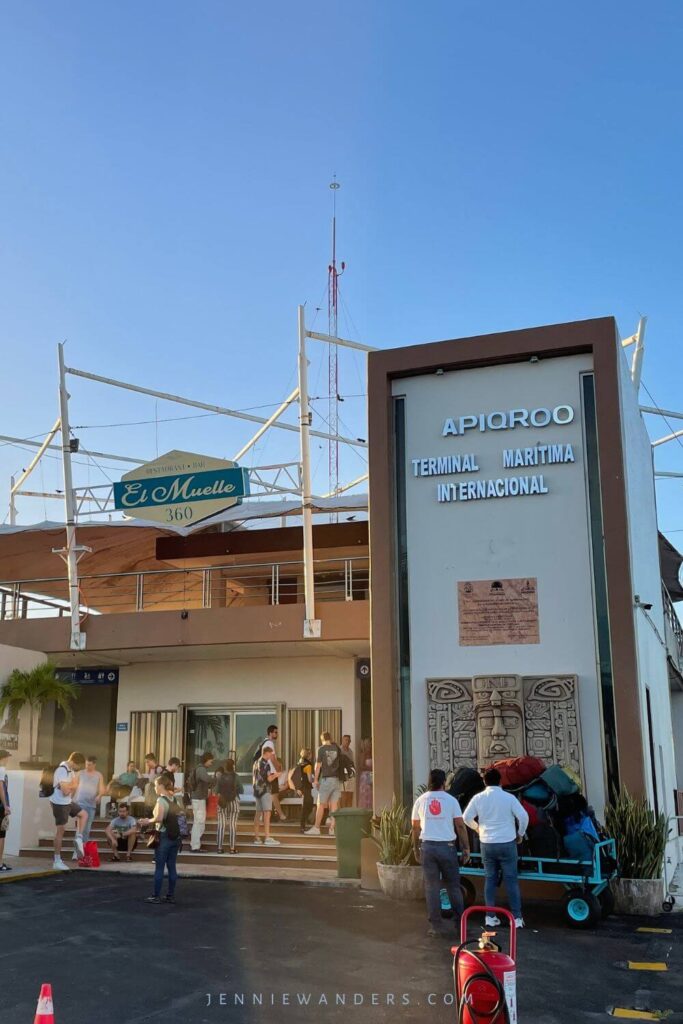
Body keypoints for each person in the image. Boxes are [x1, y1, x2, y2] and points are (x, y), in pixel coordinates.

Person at [463, 767, 529, 929]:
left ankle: (490, 917)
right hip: (507, 842)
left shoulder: (478, 798)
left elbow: (466, 817)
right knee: (511, 880)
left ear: (484, 781)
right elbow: (523, 816)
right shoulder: (509, 797)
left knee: (490, 879)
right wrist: (520, 833)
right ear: (500, 781)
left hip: (487, 843)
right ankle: (517, 918)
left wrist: (477, 828)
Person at [412, 768, 471, 937]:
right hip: (447, 847)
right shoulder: (451, 800)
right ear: (444, 782)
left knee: (431, 887)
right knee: (453, 886)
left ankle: (435, 926)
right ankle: (460, 924)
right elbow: (460, 825)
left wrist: (416, 848)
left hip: (428, 847)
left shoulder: (420, 801)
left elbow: (415, 828)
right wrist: (466, 848)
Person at [139, 773, 181, 904]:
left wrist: (147, 821)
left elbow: (159, 818)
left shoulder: (161, 800)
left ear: (161, 786)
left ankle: (156, 896)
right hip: (175, 836)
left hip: (163, 836)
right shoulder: (174, 799)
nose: (155, 788)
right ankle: (170, 895)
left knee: (159, 867)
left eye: (156, 786)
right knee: (172, 867)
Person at [49, 751, 88, 871]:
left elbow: (71, 788)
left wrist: (71, 785)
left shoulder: (70, 770)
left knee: (84, 814)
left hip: (67, 802)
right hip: (59, 803)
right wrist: (73, 785)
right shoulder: (62, 770)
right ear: (74, 762)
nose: (78, 769)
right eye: (79, 766)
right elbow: (66, 791)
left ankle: (79, 837)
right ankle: (57, 860)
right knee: (60, 831)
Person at [305, 731, 343, 837]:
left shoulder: (321, 749)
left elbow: (318, 766)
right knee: (334, 805)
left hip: (326, 780)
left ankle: (316, 827)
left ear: (322, 739)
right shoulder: (337, 748)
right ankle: (332, 829)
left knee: (320, 804)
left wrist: (316, 779)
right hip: (336, 780)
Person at [73, 755, 106, 855]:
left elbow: (102, 789)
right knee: (80, 829)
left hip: (91, 805)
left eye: (90, 765)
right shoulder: (80, 773)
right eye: (87, 764)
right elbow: (74, 787)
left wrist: (99, 796)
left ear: (94, 764)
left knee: (87, 829)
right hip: (80, 803)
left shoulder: (98, 775)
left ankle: (82, 850)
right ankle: (76, 852)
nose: (87, 766)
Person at [252, 747, 281, 846]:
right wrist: (276, 775)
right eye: (271, 754)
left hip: (257, 790)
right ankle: (267, 837)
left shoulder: (256, 763)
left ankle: (256, 837)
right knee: (267, 813)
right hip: (265, 790)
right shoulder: (265, 764)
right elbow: (268, 779)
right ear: (267, 753)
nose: (271, 756)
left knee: (258, 813)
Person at [258, 724, 287, 822]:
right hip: (271, 773)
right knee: (274, 795)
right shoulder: (269, 743)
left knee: (268, 795)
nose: (277, 734)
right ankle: (281, 815)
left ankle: (263, 816)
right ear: (270, 733)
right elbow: (273, 758)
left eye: (277, 732)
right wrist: (278, 769)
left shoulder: (264, 743)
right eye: (275, 732)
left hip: (266, 772)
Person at [215, 758, 243, 854]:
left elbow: (216, 791)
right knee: (232, 825)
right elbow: (241, 790)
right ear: (233, 766)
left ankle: (219, 848)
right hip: (234, 802)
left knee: (221, 825)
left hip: (222, 802)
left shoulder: (220, 777)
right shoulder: (236, 777)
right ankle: (232, 848)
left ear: (225, 767)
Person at [190, 751, 214, 852]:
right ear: (206, 760)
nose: (211, 763)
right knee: (199, 822)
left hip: (199, 798)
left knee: (199, 822)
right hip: (198, 799)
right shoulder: (201, 769)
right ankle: (195, 845)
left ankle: (196, 843)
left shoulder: (199, 768)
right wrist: (215, 778)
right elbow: (207, 779)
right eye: (211, 761)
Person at [288, 748, 314, 832]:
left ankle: (303, 824)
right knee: (308, 806)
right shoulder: (308, 766)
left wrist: (296, 788)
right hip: (307, 788)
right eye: (311, 754)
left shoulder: (298, 764)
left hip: (300, 788)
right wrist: (314, 779)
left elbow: (292, 776)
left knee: (305, 806)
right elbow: (310, 779)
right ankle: (303, 825)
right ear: (309, 755)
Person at [0, 749, 11, 872]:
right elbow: (1, 789)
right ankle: (0, 863)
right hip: (0, 806)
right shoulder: (1, 770)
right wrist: (6, 805)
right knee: (1, 835)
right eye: (7, 757)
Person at [340, 735, 355, 808]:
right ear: (342, 740)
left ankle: (349, 812)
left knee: (350, 795)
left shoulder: (350, 751)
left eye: (349, 740)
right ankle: (343, 813)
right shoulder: (339, 750)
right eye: (345, 740)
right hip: (343, 775)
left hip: (350, 775)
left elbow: (352, 763)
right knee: (343, 795)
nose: (347, 742)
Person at [358, 738, 373, 810]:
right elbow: (361, 766)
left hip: (372, 775)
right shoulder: (363, 754)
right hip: (365, 776)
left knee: (371, 794)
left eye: (370, 744)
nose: (369, 746)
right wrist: (370, 768)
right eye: (368, 744)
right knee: (365, 794)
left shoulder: (373, 753)